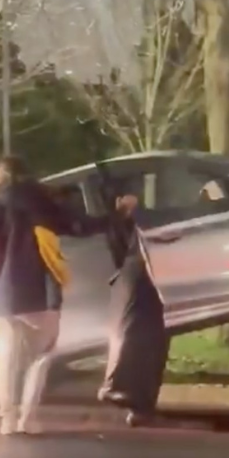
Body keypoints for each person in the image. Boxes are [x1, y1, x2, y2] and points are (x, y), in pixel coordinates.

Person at [0, 156, 135, 435]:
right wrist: (118, 215)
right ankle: (28, 418)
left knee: (6, 358)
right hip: (44, 294)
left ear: (1, 178)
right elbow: (83, 227)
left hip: (6, 296)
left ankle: (7, 419)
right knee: (39, 357)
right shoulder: (47, 206)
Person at [96, 178, 172, 427]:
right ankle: (132, 400)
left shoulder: (126, 226)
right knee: (142, 346)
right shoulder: (133, 227)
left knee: (147, 346)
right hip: (142, 293)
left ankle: (140, 405)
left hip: (146, 293)